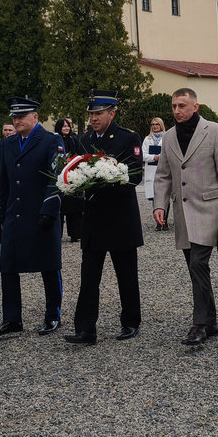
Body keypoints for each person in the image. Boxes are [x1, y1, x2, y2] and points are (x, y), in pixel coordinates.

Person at [153, 88, 218, 346]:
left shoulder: (214, 131)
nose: (177, 110)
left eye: (182, 105)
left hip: (210, 209)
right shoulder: (168, 137)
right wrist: (160, 204)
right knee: (195, 267)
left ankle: (199, 324)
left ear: (195, 107)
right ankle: (210, 322)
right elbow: (164, 174)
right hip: (182, 213)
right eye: (174, 106)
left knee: (198, 264)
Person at [65, 90, 144, 345]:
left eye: (98, 113)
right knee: (89, 276)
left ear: (112, 113)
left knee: (126, 275)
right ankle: (85, 328)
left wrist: (109, 173)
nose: (93, 118)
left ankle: (131, 322)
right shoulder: (84, 139)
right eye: (91, 114)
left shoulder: (128, 137)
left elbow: (135, 175)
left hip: (120, 215)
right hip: (95, 218)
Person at [0, 97, 64, 336]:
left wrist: (49, 209)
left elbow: (58, 178)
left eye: (22, 116)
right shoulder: (8, 144)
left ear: (35, 117)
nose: (17, 120)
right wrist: (0, 211)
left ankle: (53, 315)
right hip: (15, 214)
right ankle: (12, 319)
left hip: (41, 213)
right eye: (14, 117)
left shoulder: (51, 140)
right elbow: (5, 181)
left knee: (49, 265)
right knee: (8, 268)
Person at [54, 117, 84, 243]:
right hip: (59, 177)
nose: (66, 128)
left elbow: (81, 154)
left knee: (74, 208)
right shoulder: (55, 140)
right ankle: (57, 234)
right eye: (64, 126)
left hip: (72, 176)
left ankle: (75, 234)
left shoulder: (74, 139)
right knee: (59, 208)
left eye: (68, 126)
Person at [142, 117, 167, 231]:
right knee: (154, 198)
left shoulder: (167, 138)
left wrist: (162, 158)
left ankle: (165, 221)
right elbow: (143, 155)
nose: (154, 126)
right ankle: (158, 221)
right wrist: (154, 157)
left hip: (164, 170)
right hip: (152, 171)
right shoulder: (147, 139)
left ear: (161, 125)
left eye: (157, 124)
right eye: (152, 124)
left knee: (164, 197)